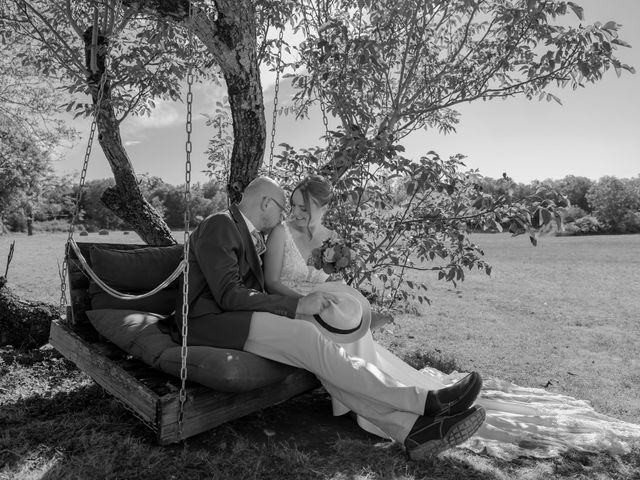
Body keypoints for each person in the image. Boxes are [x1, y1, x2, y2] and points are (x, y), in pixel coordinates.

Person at [263, 174, 640, 460]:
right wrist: (308, 300)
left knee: (349, 325)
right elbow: (271, 283)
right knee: (341, 335)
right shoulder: (279, 234)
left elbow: (337, 282)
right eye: (292, 205)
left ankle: (419, 414)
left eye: (302, 206)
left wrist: (344, 301)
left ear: (320, 207)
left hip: (329, 310)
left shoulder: (331, 238)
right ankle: (424, 410)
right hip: (297, 310)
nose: (295, 212)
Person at [175, 176, 485, 461]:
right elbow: (230, 294)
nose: (284, 214)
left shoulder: (239, 228)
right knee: (311, 340)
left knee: (321, 350)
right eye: (283, 206)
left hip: (232, 316)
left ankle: (412, 430)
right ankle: (426, 403)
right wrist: (297, 306)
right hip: (207, 321)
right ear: (266, 202)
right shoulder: (221, 223)